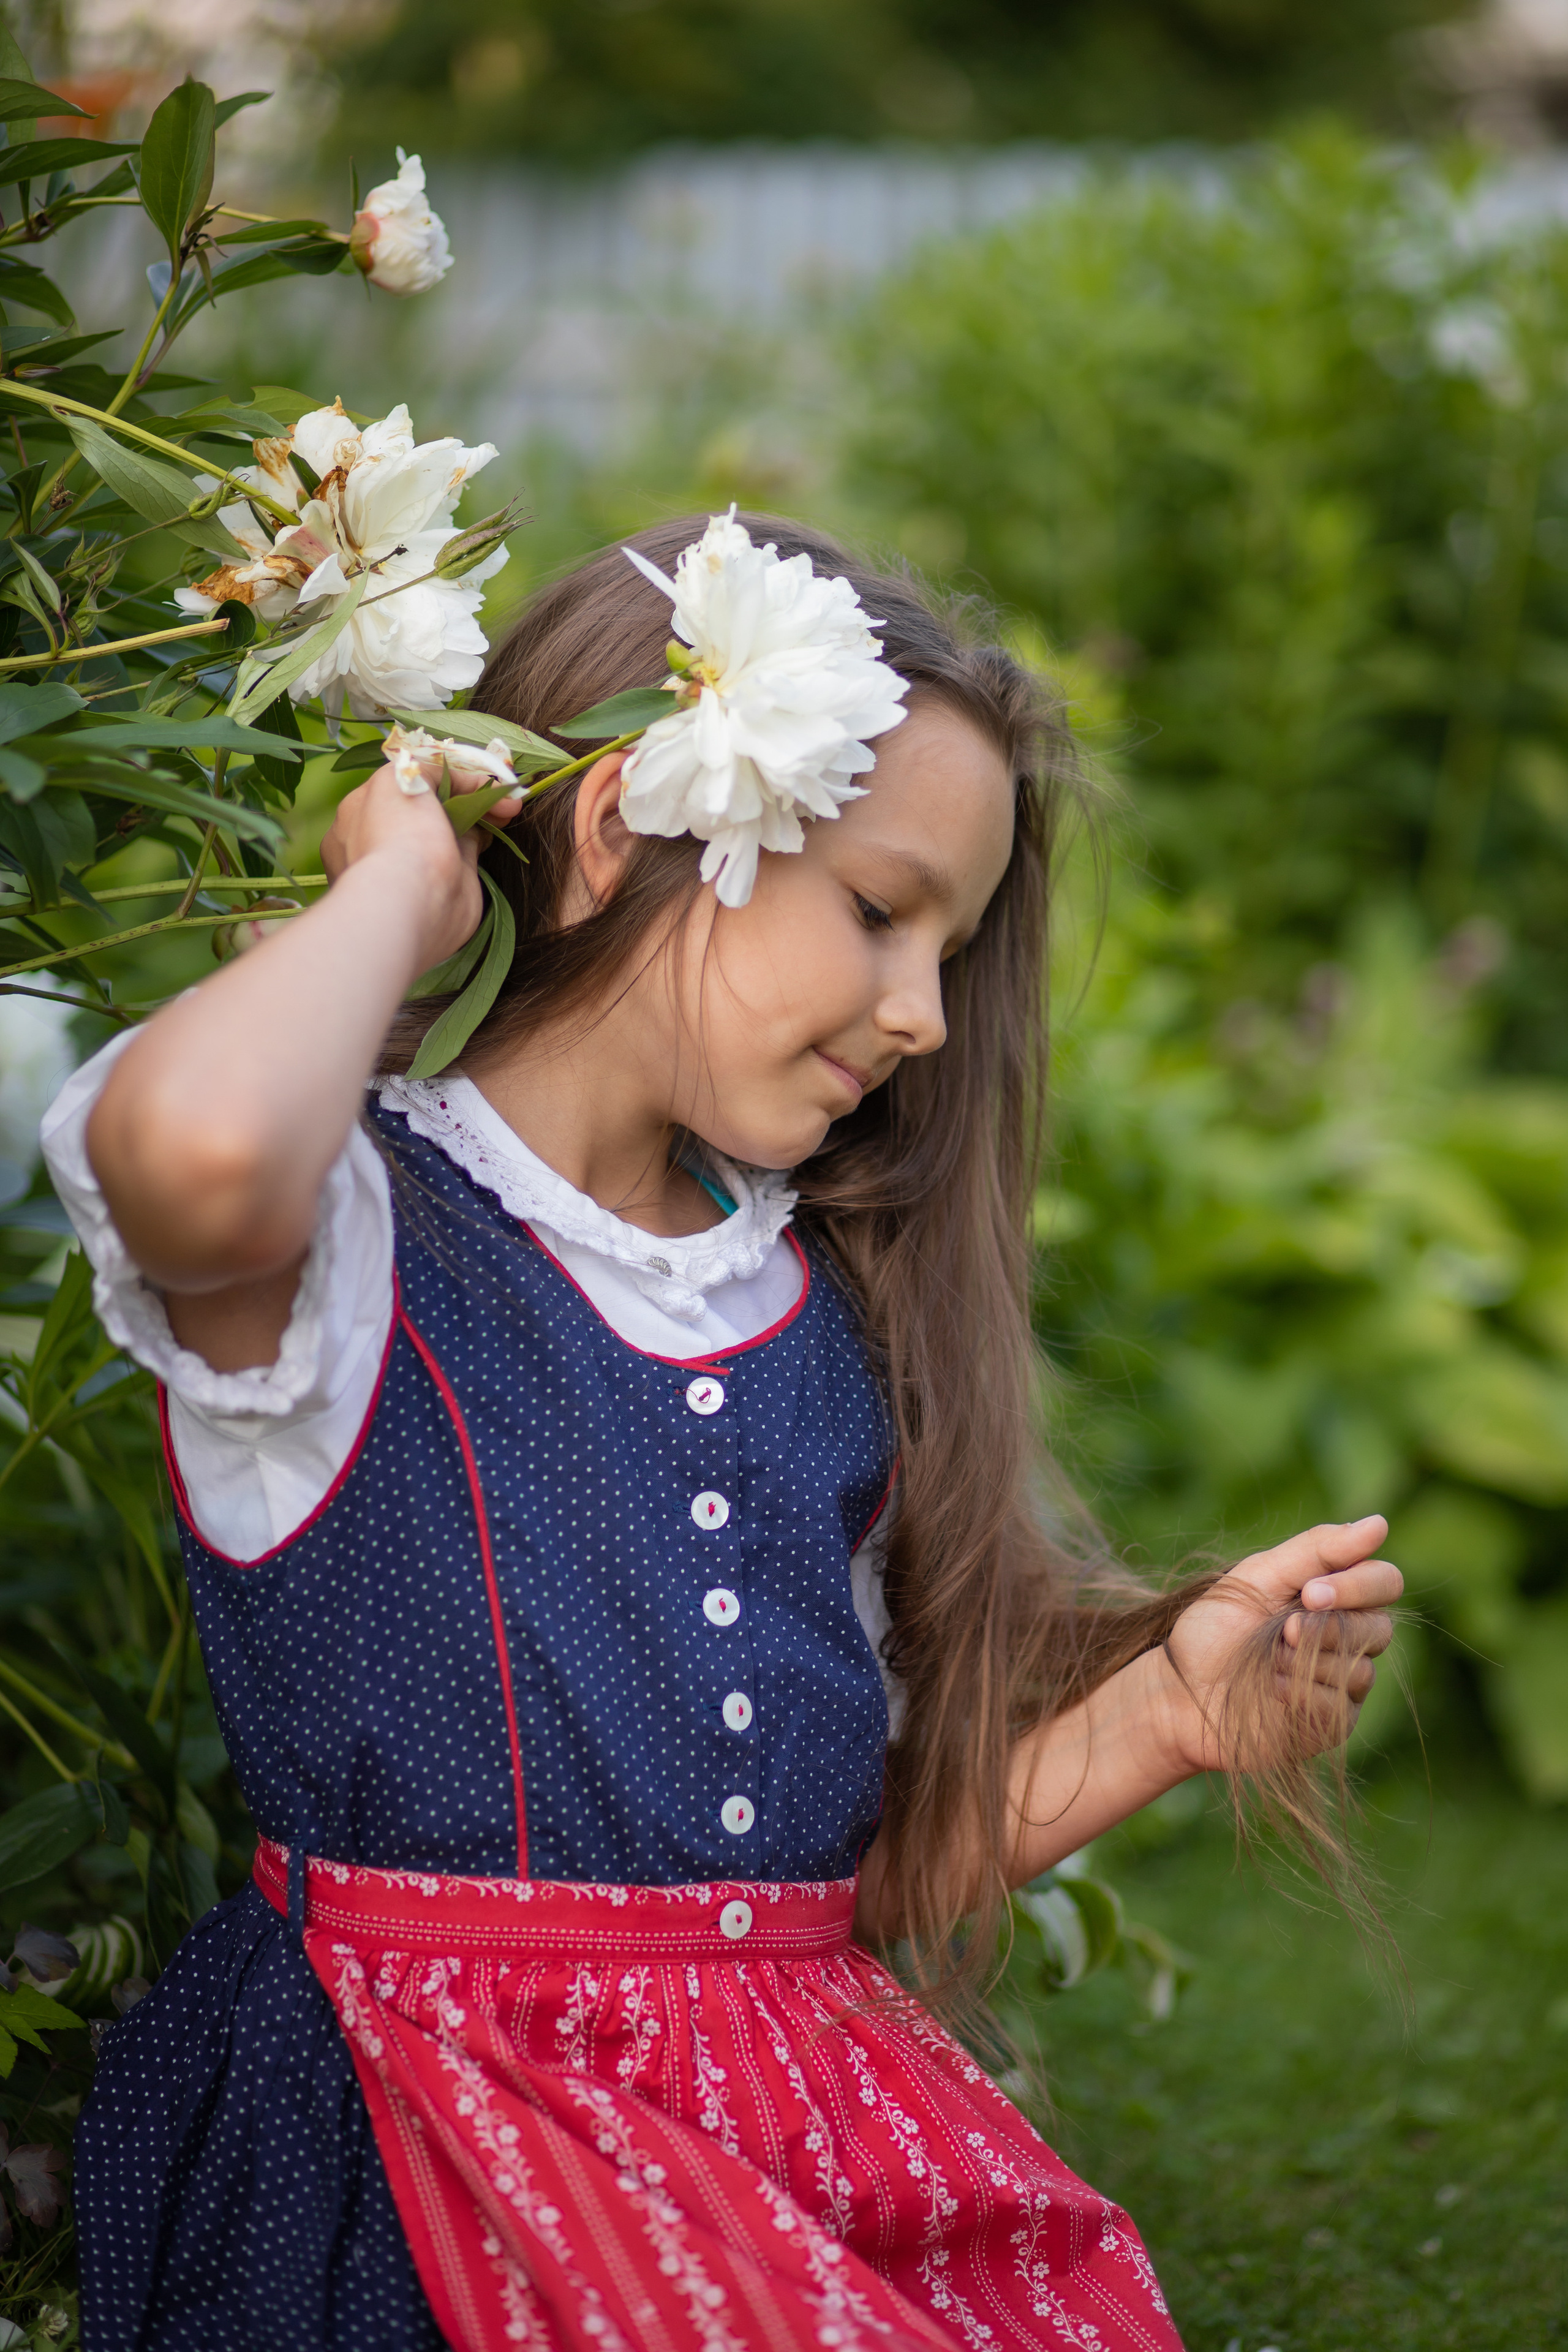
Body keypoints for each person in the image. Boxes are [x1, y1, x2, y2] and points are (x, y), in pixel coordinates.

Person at [43, 512, 1400, 2352]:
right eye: (878, 910)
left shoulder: (818, 1313)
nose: (925, 1014)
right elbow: (196, 1153)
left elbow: (815, 1896)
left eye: (957, 947)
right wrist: (399, 889)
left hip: (791, 2128)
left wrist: (1165, 1720)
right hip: (434, 2139)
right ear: (626, 820)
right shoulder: (356, 1244)